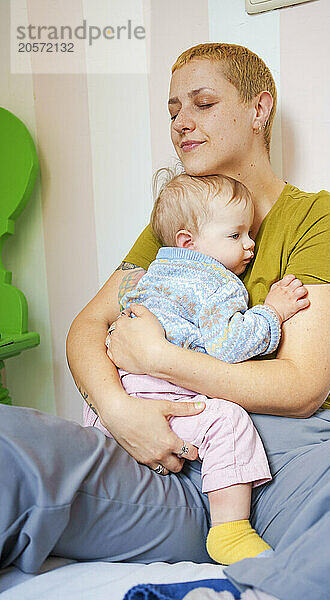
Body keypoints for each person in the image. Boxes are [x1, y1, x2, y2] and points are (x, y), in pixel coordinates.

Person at [0, 42, 330, 600]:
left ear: (259, 110)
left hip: (289, 466)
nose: (181, 124)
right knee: (8, 440)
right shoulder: (177, 222)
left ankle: (272, 579)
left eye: (202, 104)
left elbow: (302, 386)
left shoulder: (314, 214)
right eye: (172, 111)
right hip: (166, 461)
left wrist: (161, 358)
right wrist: (119, 413)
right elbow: (88, 329)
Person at [84, 170, 309, 565]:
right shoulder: (215, 283)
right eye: (235, 235)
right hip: (168, 397)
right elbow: (229, 345)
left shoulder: (151, 273)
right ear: (189, 242)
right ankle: (230, 531)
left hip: (120, 395)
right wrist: (273, 311)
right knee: (230, 421)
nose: (250, 244)